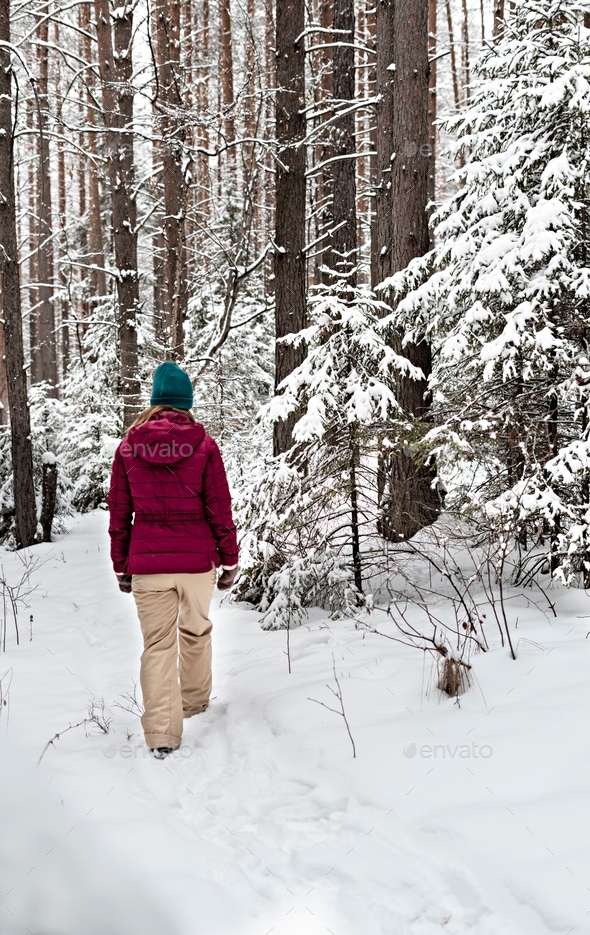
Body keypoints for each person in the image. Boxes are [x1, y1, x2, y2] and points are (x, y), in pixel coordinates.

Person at [108, 361, 239, 759]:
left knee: (158, 646)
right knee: (196, 630)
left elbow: (119, 514)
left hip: (148, 564)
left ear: (153, 402)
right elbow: (220, 507)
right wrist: (229, 559)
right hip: (197, 561)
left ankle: (162, 734)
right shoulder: (204, 444)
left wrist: (121, 565)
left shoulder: (129, 446)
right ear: (186, 403)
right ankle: (195, 702)